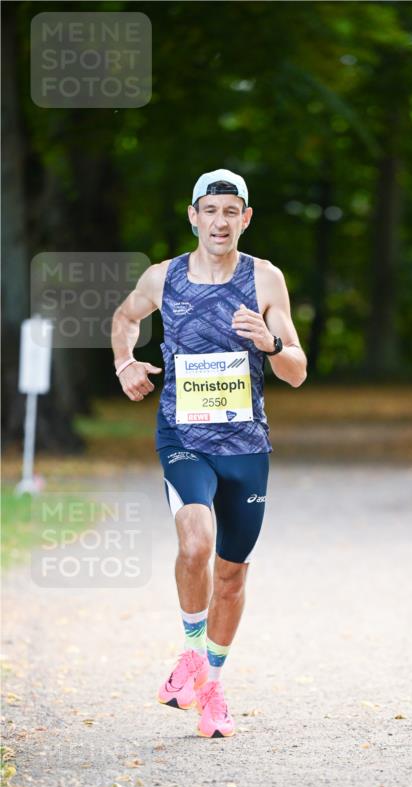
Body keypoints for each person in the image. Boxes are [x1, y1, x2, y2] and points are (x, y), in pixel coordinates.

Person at [111, 168, 307, 737]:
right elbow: (125, 318)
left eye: (231, 212)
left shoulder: (265, 280)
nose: (220, 221)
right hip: (183, 437)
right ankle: (193, 653)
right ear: (193, 216)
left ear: (244, 219)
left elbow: (296, 371)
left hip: (246, 445)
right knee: (195, 540)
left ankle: (210, 683)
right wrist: (126, 362)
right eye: (210, 210)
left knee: (232, 574)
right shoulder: (163, 277)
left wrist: (269, 343)